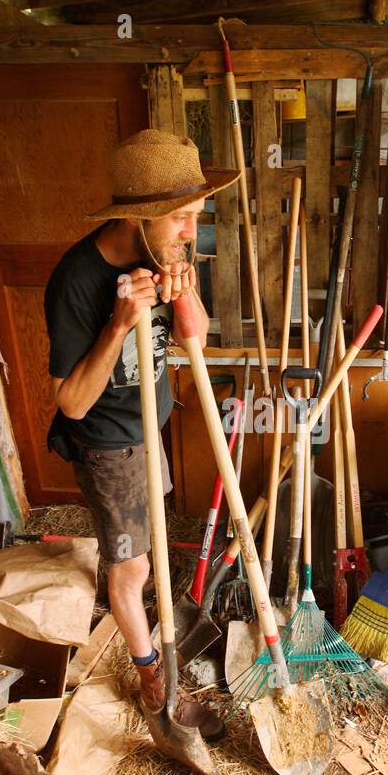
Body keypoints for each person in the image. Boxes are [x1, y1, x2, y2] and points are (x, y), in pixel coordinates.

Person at [44, 129, 239, 740]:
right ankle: (151, 673)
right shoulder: (75, 280)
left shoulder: (166, 255)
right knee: (130, 571)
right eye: (180, 218)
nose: (190, 230)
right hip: (107, 442)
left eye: (194, 217)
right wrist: (120, 321)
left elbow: (196, 336)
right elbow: (72, 403)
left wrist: (182, 296)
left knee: (148, 554)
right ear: (137, 217)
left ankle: (140, 603)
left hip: (149, 429)